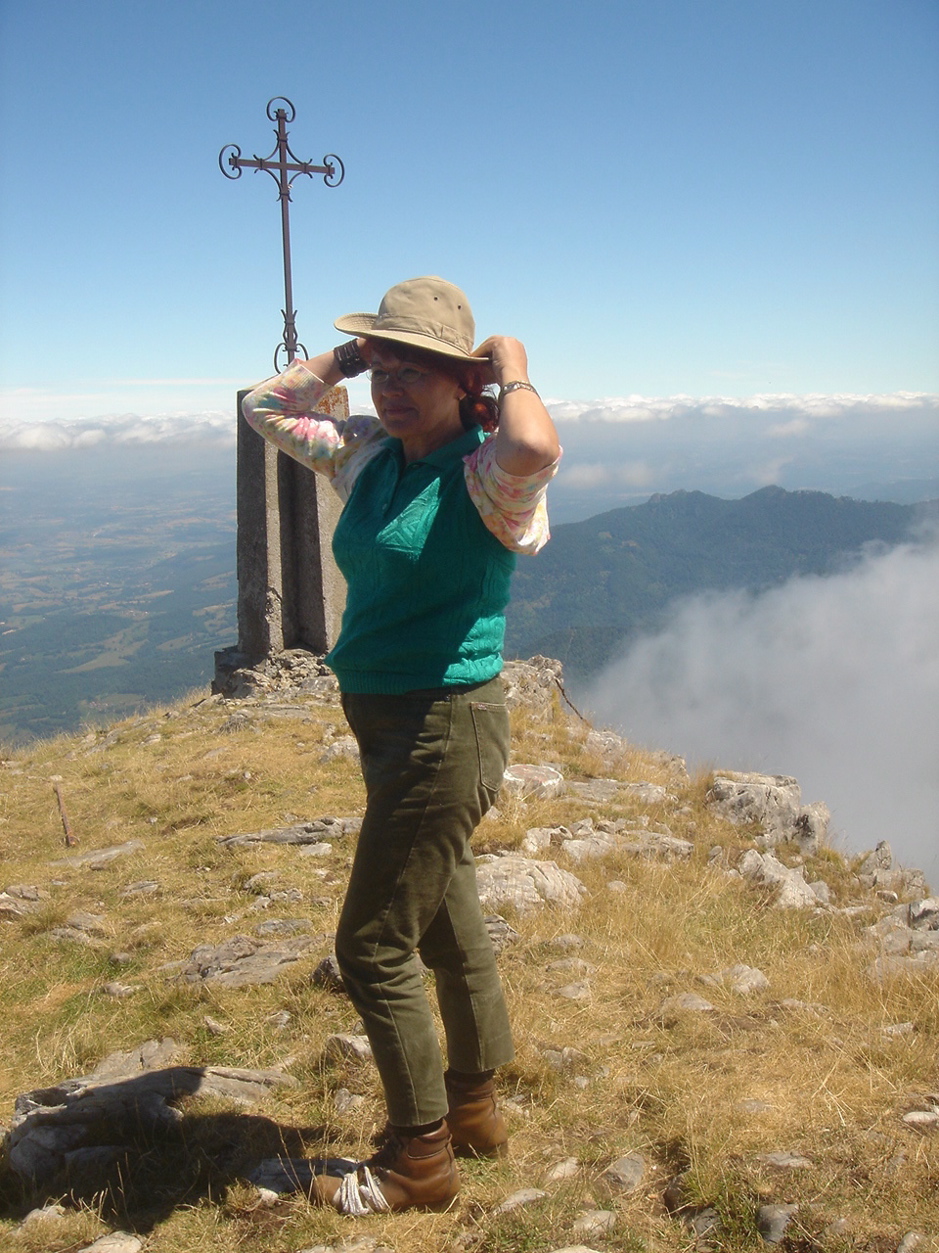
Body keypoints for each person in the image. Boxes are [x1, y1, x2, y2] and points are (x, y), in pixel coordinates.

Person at [242, 276, 560, 1214]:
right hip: (388, 728)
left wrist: (507, 369)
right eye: (384, 363)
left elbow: (536, 440)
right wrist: (348, 356)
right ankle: (473, 1108)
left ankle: (417, 1158)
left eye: (415, 368)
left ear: (464, 385)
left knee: (372, 944)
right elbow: (263, 406)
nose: (390, 383)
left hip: (442, 727)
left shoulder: (487, 473)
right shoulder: (368, 456)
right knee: (444, 923)